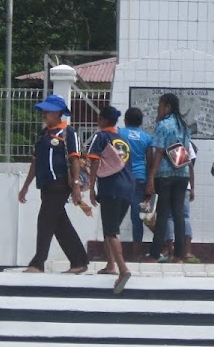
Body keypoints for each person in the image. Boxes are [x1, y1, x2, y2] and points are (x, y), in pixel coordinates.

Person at [18, 94, 90, 274]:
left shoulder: (67, 132)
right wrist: (26, 185)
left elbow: (74, 160)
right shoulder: (44, 134)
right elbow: (35, 162)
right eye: (43, 111)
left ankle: (38, 263)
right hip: (45, 184)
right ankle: (79, 261)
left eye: (48, 111)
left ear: (58, 113)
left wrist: (75, 185)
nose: (44, 114)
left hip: (59, 184)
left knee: (45, 222)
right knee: (59, 224)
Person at [87, 106, 135, 293]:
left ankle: (122, 269)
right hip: (128, 188)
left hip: (111, 188)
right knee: (112, 227)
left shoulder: (101, 137)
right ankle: (110, 264)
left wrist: (91, 189)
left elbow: (94, 161)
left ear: (103, 120)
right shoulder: (123, 140)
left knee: (110, 231)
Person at [145, 93, 191, 264]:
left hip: (164, 174)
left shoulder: (163, 125)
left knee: (162, 214)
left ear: (168, 107)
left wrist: (151, 176)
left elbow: (158, 153)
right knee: (179, 215)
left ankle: (155, 254)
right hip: (182, 173)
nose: (158, 108)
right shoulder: (185, 126)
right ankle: (179, 255)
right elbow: (185, 151)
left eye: (160, 106)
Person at [117, 107, 152, 252]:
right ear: (141, 122)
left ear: (125, 120)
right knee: (138, 217)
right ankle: (136, 252)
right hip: (140, 179)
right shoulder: (147, 138)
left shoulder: (119, 133)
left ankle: (111, 254)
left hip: (122, 177)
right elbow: (149, 161)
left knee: (115, 216)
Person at [162, 141, 198, 263]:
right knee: (184, 217)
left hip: (169, 184)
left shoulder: (165, 141)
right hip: (184, 185)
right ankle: (187, 251)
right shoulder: (186, 142)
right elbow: (191, 165)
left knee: (170, 217)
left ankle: (170, 249)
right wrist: (192, 187)